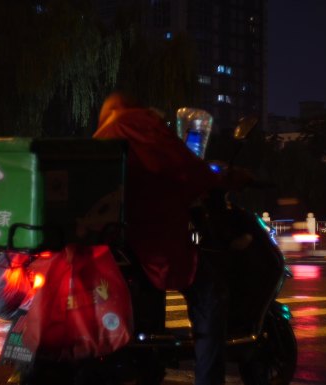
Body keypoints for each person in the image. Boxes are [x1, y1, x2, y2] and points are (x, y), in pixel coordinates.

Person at [93, 91, 248, 385]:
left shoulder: (106, 131)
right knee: (212, 295)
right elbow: (186, 167)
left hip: (119, 239)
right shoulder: (139, 124)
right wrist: (228, 178)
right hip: (153, 239)